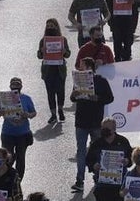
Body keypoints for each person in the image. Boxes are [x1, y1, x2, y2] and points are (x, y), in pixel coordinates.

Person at [70, 57, 114, 193]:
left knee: (97, 151)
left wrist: (98, 98)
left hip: (96, 122)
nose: (80, 68)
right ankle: (80, 180)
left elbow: (110, 98)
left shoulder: (101, 81)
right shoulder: (79, 80)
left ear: (90, 67)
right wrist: (75, 94)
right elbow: (72, 98)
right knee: (81, 151)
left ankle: (98, 177)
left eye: (82, 66)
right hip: (81, 122)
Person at [0, 76, 37, 180]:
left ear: (21, 86)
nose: (15, 87)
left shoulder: (26, 98)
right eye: (13, 85)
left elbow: (33, 113)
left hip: (22, 134)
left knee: (21, 158)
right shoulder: (5, 98)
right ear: (10, 87)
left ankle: (18, 180)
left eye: (17, 85)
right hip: (8, 133)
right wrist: (0, 112)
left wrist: (26, 115)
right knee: (7, 158)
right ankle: (6, 178)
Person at [85, 117, 134, 201]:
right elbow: (88, 159)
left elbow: (131, 157)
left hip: (120, 182)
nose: (104, 131)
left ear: (114, 129)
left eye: (107, 129)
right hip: (102, 183)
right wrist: (94, 165)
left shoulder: (123, 141)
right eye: (103, 128)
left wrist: (127, 161)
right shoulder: (97, 143)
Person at [37, 18, 72, 123]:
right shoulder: (43, 40)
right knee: (50, 93)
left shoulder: (63, 39)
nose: (50, 28)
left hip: (59, 69)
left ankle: (60, 110)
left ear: (56, 27)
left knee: (60, 91)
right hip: (48, 70)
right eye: (48, 26)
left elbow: (68, 54)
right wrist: (42, 51)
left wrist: (64, 51)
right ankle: (53, 114)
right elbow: (39, 56)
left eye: (52, 26)